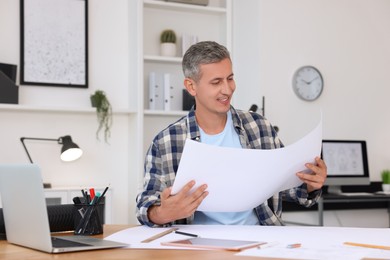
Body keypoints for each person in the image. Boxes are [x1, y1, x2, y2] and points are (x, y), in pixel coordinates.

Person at [136, 41, 327, 227]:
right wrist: (162, 213)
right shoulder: (166, 142)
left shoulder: (259, 127)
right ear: (191, 86)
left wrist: (311, 183)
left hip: (261, 240)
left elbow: (289, 189)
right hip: (197, 247)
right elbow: (145, 205)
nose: (227, 89)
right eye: (216, 82)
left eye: (230, 78)